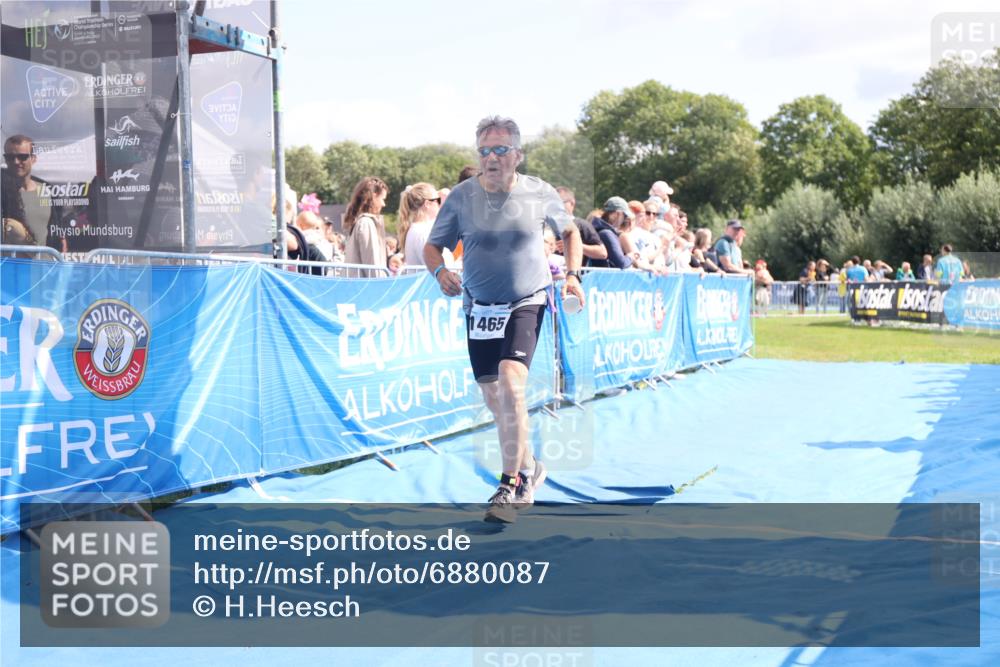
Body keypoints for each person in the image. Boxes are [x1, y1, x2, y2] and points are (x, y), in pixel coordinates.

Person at [424, 116, 584, 523]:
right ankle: (530, 465)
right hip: (479, 307)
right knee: (495, 398)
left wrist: (572, 276)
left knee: (512, 383)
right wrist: (440, 272)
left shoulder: (539, 192)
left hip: (526, 299)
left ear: (517, 154)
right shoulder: (461, 197)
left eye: (500, 150)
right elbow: (432, 247)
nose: (491, 158)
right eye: (484, 151)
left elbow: (570, 233)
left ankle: (510, 485)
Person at [3, 134, 64, 251]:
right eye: (10, 157)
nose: (16, 161)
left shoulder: (48, 191)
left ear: (33, 159)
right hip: (10, 262)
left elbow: (57, 232)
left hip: (46, 261)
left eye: (22, 157)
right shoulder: (2, 191)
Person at [343, 176, 389, 277]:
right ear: (374, 196)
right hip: (366, 284)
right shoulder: (366, 223)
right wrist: (381, 283)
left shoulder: (360, 222)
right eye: (382, 199)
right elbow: (372, 266)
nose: (384, 204)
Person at [554, 186, 607, 265]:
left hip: (574, 271)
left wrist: (575, 245)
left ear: (572, 203)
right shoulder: (545, 225)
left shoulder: (582, 225)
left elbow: (602, 253)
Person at [398, 182, 441, 268]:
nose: (439, 205)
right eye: (438, 200)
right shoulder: (423, 233)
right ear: (427, 204)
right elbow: (439, 269)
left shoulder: (417, 230)